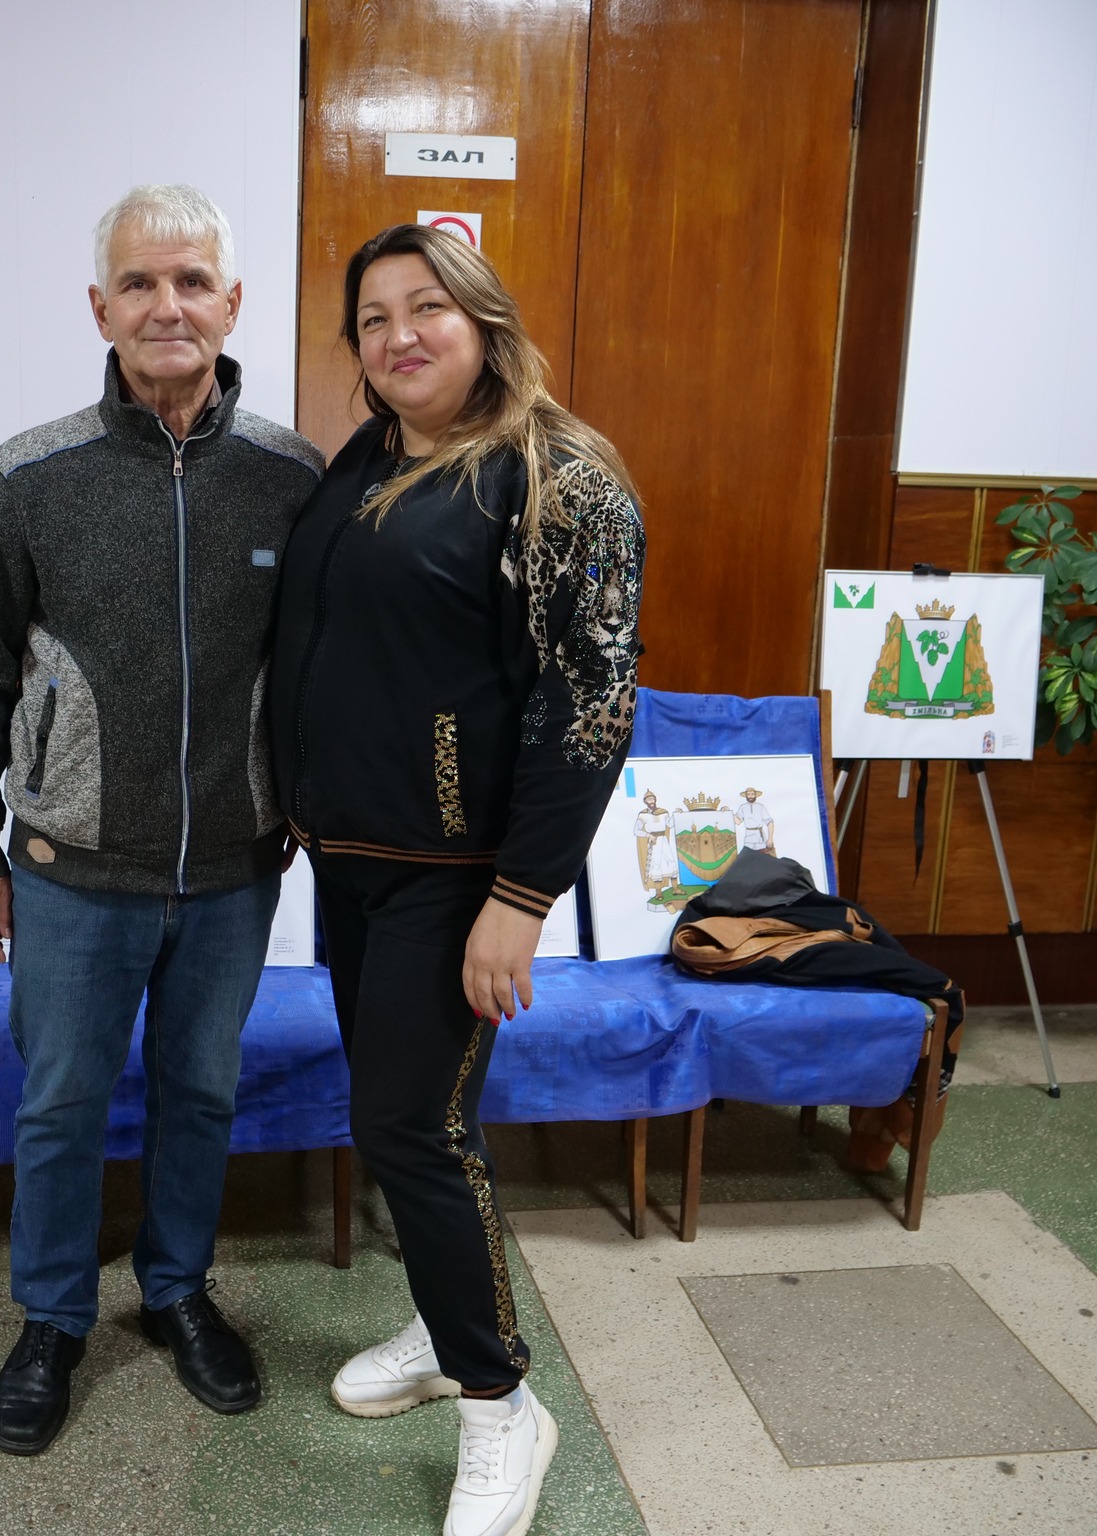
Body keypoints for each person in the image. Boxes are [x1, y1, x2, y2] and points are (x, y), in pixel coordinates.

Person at [0, 184, 324, 1456]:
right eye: (139, 284)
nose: (167, 306)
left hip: (232, 874)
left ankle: (175, 1292)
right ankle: (51, 1318)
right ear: (99, 309)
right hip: (68, 872)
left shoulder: (291, 476)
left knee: (200, 1093)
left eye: (191, 281)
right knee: (59, 1104)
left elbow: (322, 672)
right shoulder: (30, 475)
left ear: (231, 303)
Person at [271, 225, 644, 1536]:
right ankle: (443, 1328)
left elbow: (590, 709)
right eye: (372, 318)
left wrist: (521, 898)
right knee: (414, 1118)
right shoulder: (364, 460)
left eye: (425, 306)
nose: (397, 335)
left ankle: (499, 1404)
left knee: (407, 1130)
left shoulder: (559, 478)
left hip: (459, 876)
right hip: (353, 866)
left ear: (484, 320)